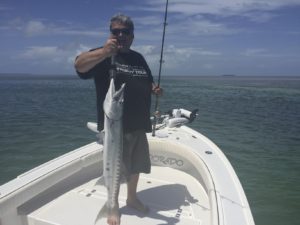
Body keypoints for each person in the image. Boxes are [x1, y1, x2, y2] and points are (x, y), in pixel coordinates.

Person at [74, 14, 162, 225]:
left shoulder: (138, 58)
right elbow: (79, 65)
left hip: (139, 123)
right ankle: (112, 205)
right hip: (115, 127)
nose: (121, 35)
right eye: (116, 31)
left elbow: (146, 80)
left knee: (137, 165)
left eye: (125, 32)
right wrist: (104, 52)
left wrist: (153, 89)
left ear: (132, 36)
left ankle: (132, 198)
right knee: (115, 167)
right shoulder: (103, 56)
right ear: (110, 33)